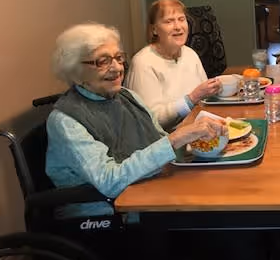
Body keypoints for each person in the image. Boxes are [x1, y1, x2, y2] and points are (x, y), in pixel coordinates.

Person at [46, 23, 227, 217]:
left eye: (118, 58)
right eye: (102, 61)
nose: (117, 68)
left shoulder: (127, 96)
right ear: (75, 71)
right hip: (107, 218)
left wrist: (196, 136)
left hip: (150, 195)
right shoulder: (66, 121)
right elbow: (109, 181)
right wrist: (175, 139)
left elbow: (159, 142)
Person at [125, 0, 221, 130]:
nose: (178, 27)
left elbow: (205, 100)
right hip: (167, 140)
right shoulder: (143, 63)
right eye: (169, 21)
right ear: (154, 30)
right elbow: (151, 121)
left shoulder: (189, 54)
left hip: (199, 129)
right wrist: (191, 99)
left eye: (181, 19)